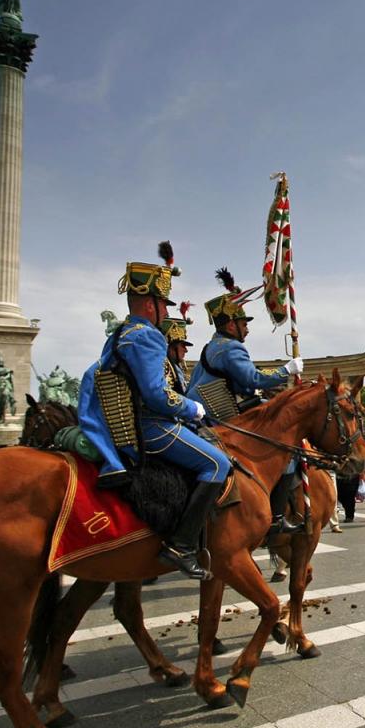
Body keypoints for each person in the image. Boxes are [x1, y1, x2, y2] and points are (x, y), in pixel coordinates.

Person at [77, 242, 228, 580]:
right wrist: (192, 408)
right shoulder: (147, 337)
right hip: (152, 427)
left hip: (128, 423)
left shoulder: (123, 333)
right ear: (150, 304)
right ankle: (182, 545)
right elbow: (156, 395)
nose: (165, 311)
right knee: (219, 463)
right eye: (163, 304)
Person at [187, 267, 304, 536]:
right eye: (244, 324)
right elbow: (253, 379)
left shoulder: (212, 347)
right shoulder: (230, 347)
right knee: (287, 456)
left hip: (204, 417)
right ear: (231, 325)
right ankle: (275, 517)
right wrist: (287, 370)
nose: (247, 329)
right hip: (218, 418)